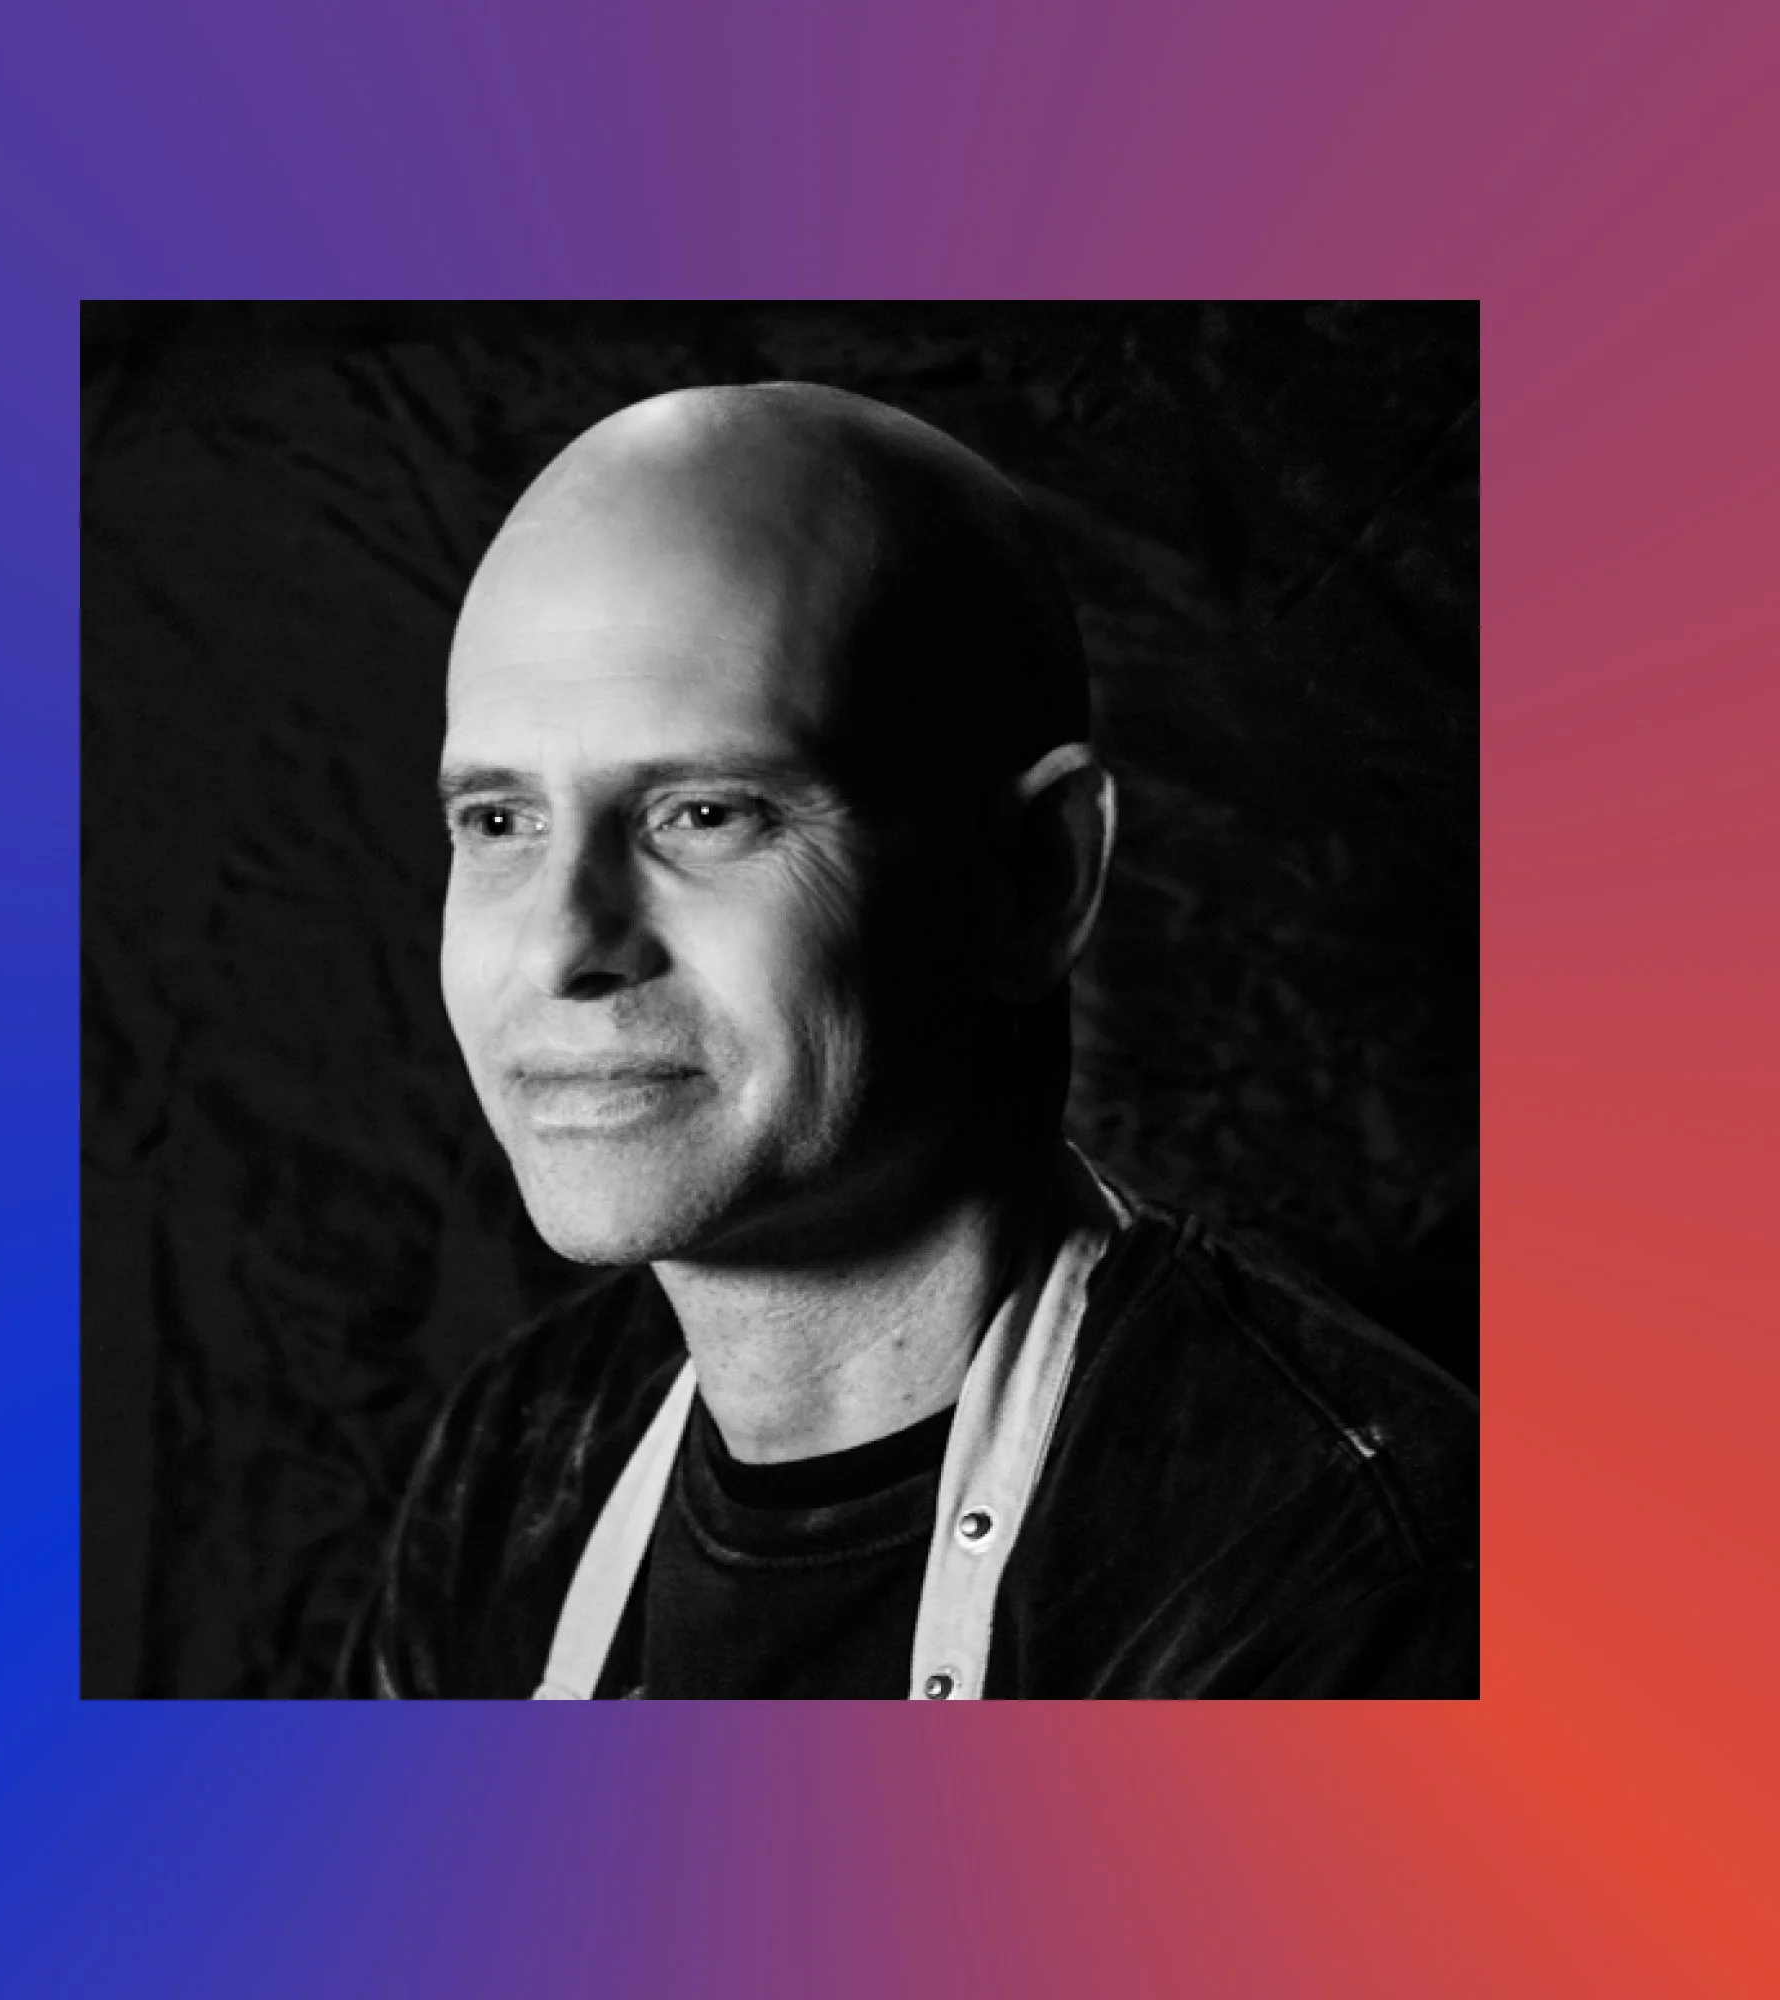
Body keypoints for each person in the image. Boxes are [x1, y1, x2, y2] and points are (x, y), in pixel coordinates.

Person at [339, 382, 1477, 1700]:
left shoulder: (1337, 1578)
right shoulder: (521, 1457)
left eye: (705, 813)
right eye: (500, 823)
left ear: (1034, 880)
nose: (560, 947)